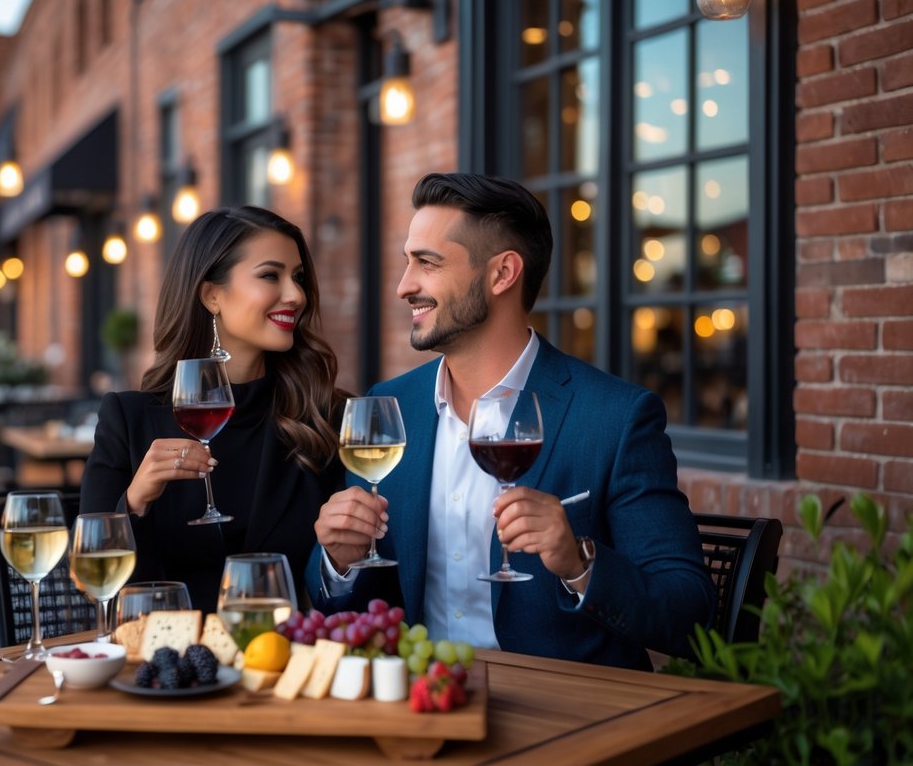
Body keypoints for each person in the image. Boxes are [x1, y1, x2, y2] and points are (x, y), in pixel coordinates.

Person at [308, 173, 714, 670]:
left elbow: (690, 613)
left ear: (502, 274)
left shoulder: (616, 418)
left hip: (567, 723)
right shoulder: (389, 407)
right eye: (406, 262)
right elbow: (342, 605)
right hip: (423, 701)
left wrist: (579, 561)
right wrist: (341, 561)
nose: (403, 286)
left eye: (427, 263)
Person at [80, 206, 347, 611]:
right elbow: (91, 583)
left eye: (298, 278)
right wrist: (134, 502)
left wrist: (344, 556)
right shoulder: (129, 420)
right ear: (212, 295)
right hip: (169, 665)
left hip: (284, 663)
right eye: (270, 275)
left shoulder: (325, 417)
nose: (296, 295)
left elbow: (353, 588)